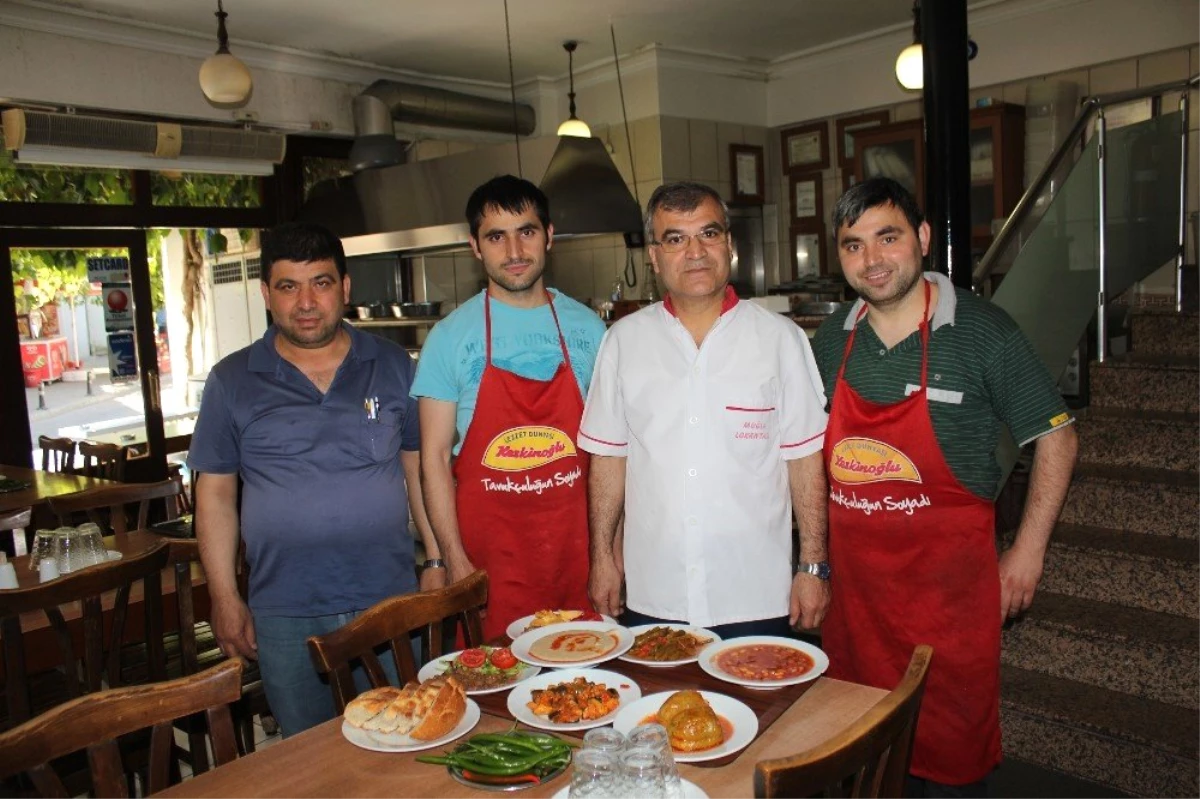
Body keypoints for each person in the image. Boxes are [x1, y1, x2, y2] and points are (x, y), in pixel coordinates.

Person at [811, 177, 1079, 797]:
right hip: (856, 608)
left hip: (947, 608)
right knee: (859, 765)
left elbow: (1057, 438)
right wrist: (811, 563)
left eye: (888, 237)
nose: (872, 261)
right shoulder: (831, 342)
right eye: (853, 245)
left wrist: (1028, 552)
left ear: (923, 237)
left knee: (950, 770)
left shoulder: (985, 331)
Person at [189, 221, 440, 738]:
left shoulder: (394, 366)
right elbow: (214, 494)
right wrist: (223, 596)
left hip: (388, 601)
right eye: (288, 286)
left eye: (321, 283)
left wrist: (436, 560)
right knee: (306, 758)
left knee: (401, 748)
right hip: (284, 612)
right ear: (266, 294)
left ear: (345, 288)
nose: (306, 302)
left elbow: (420, 470)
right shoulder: (232, 380)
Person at [580, 181, 831, 639]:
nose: (695, 251)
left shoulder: (780, 340)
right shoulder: (623, 342)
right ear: (653, 256)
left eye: (709, 234)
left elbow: (804, 463)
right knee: (654, 712)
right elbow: (609, 461)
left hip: (756, 592)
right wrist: (601, 558)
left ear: (729, 246)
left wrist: (812, 566)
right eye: (675, 238)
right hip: (654, 593)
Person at [412, 175, 607, 640]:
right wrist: (455, 560)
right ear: (475, 247)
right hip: (491, 567)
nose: (514, 251)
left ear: (550, 236)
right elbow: (433, 460)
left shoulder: (590, 330)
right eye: (496, 236)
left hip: (576, 558)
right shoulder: (448, 338)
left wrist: (612, 553)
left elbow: (610, 454)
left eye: (527, 231)